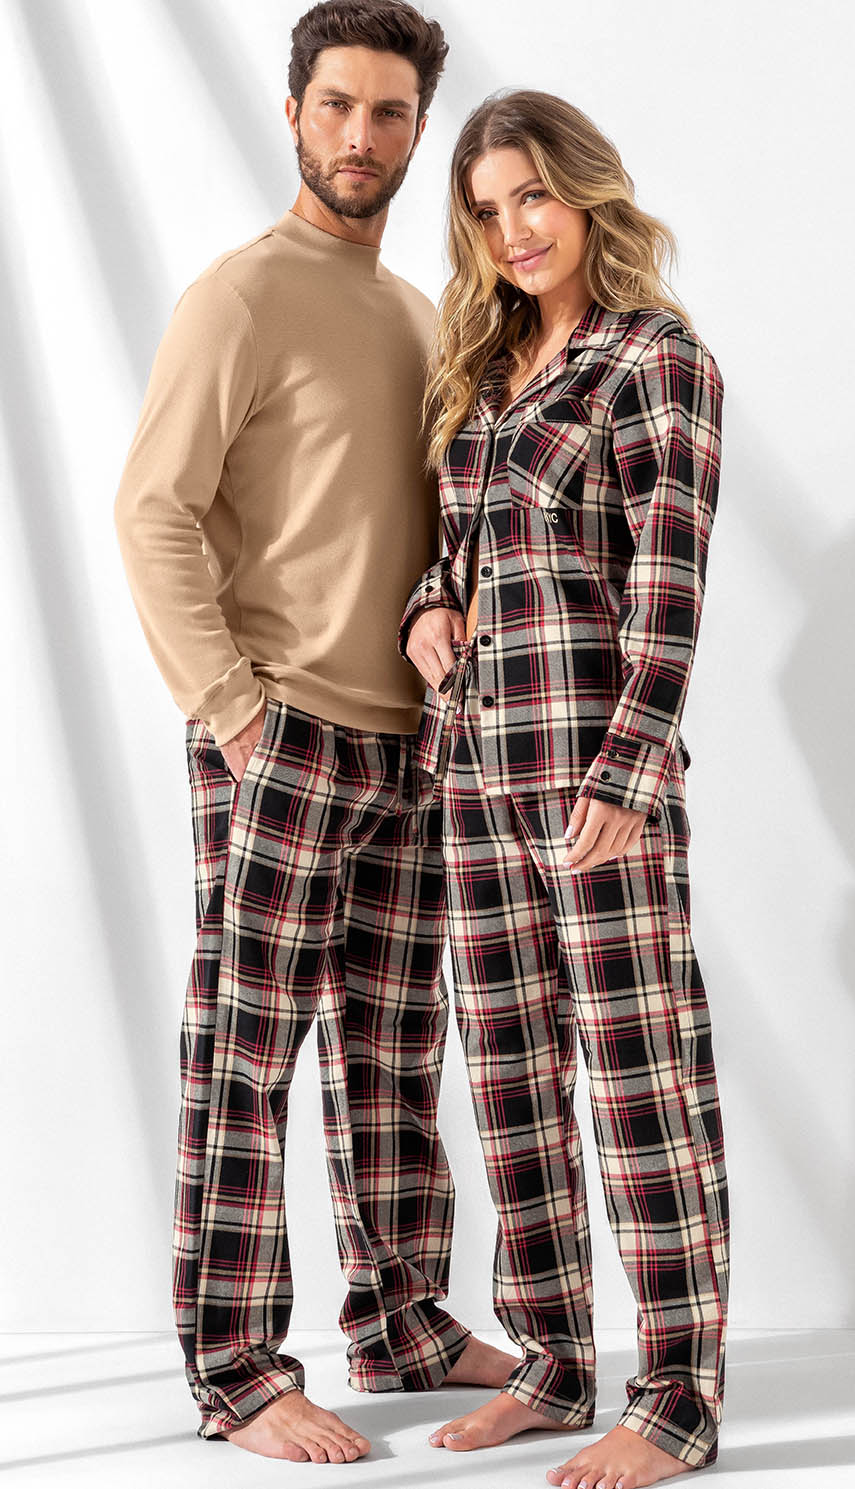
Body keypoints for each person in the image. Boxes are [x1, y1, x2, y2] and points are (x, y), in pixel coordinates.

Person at [114, 2, 515, 1464]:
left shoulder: (419, 318)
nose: (362, 134)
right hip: (277, 733)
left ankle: (401, 1317)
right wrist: (232, 712)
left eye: (390, 111)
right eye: (337, 104)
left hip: (408, 746)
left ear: (418, 131)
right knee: (246, 1057)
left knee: (396, 1055)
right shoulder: (240, 297)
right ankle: (234, 1370)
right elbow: (151, 511)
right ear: (293, 113)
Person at [400, 90, 730, 1488]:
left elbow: (670, 584)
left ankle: (677, 1397)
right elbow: (456, 554)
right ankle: (552, 1360)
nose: (514, 230)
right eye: (488, 210)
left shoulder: (654, 359)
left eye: (533, 195)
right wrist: (427, 608)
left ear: (588, 192)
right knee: (515, 1079)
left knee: (642, 1082)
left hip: (597, 778)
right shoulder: (479, 371)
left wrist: (633, 767)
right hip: (474, 771)